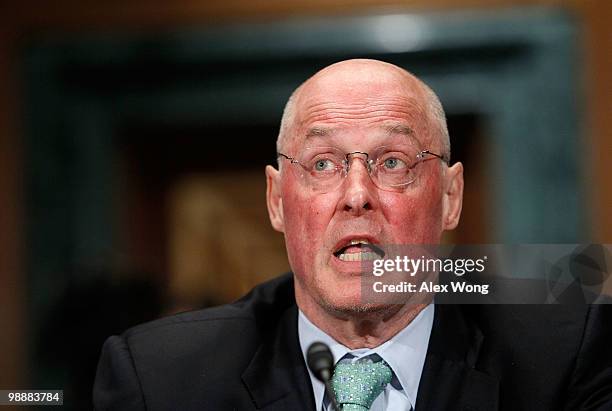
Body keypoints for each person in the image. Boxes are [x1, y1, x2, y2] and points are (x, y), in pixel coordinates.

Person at [93, 59, 611, 410]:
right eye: (322, 164)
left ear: (450, 196)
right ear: (277, 200)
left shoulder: (566, 355)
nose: (357, 194)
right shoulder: (160, 380)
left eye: (392, 161)